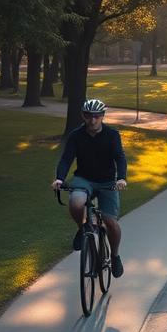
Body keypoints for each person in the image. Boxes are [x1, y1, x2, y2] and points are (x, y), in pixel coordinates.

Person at [51, 98, 128, 277]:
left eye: (96, 116)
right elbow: (66, 159)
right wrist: (60, 179)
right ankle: (82, 228)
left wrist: (122, 178)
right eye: (88, 116)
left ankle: (115, 256)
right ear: (83, 116)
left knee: (111, 223)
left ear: (102, 116)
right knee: (76, 203)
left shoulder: (112, 135)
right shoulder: (76, 135)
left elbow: (120, 157)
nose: (92, 120)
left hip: (108, 182)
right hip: (83, 178)